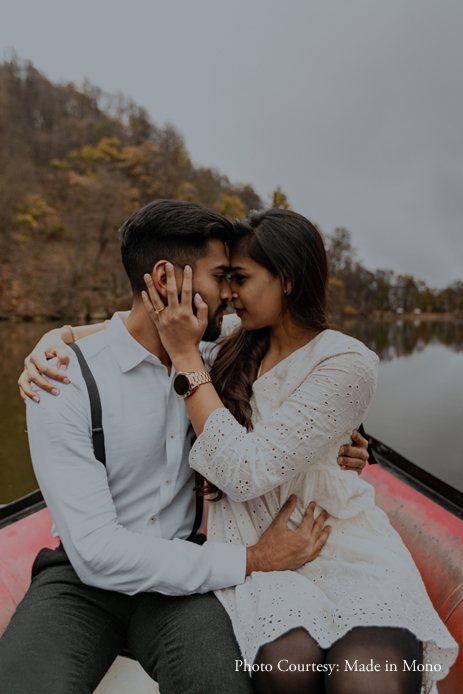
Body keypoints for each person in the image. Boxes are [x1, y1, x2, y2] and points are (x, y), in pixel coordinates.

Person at [3, 200, 368, 694]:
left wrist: (351, 447)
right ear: (165, 279)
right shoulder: (61, 379)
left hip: (187, 578)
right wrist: (254, 559)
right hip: (82, 584)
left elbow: (301, 376)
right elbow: (96, 553)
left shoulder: (218, 353)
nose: (229, 294)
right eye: (221, 275)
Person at [140, 207, 458, 694]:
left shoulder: (348, 361)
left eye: (240, 279)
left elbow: (246, 471)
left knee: (365, 677)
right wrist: (62, 338)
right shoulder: (226, 343)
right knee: (286, 669)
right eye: (225, 279)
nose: (227, 294)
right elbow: (134, 330)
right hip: (257, 550)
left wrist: (186, 360)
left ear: (286, 279)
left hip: (341, 543)